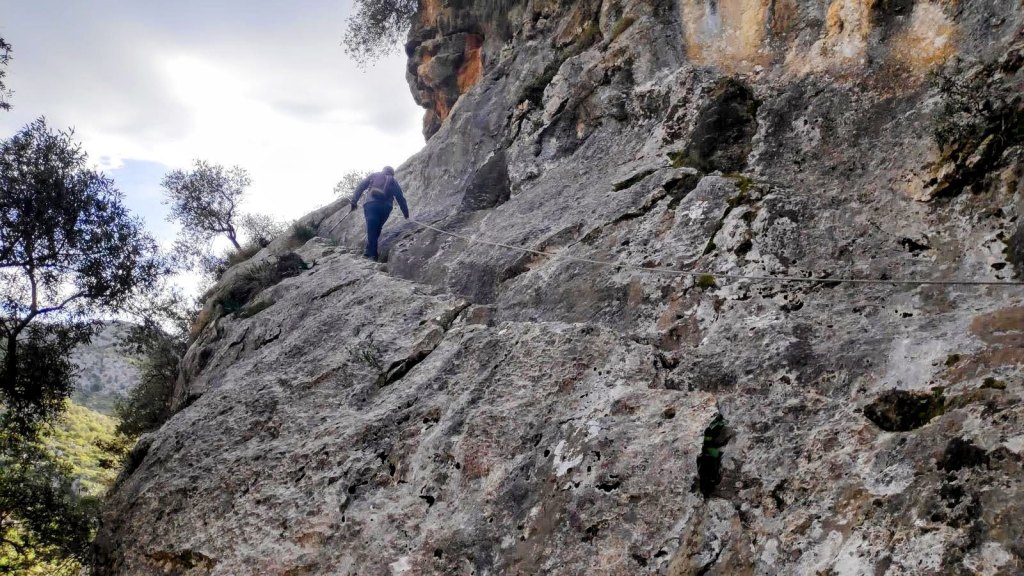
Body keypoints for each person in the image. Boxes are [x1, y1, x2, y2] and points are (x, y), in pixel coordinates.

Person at [350, 166, 409, 261]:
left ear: (383, 170)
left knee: (372, 228)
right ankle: (370, 252)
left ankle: (371, 254)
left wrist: (354, 201)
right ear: (392, 173)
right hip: (386, 207)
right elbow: (400, 197)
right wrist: (405, 213)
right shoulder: (392, 180)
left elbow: (361, 186)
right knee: (376, 228)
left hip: (371, 204)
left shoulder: (375, 175)